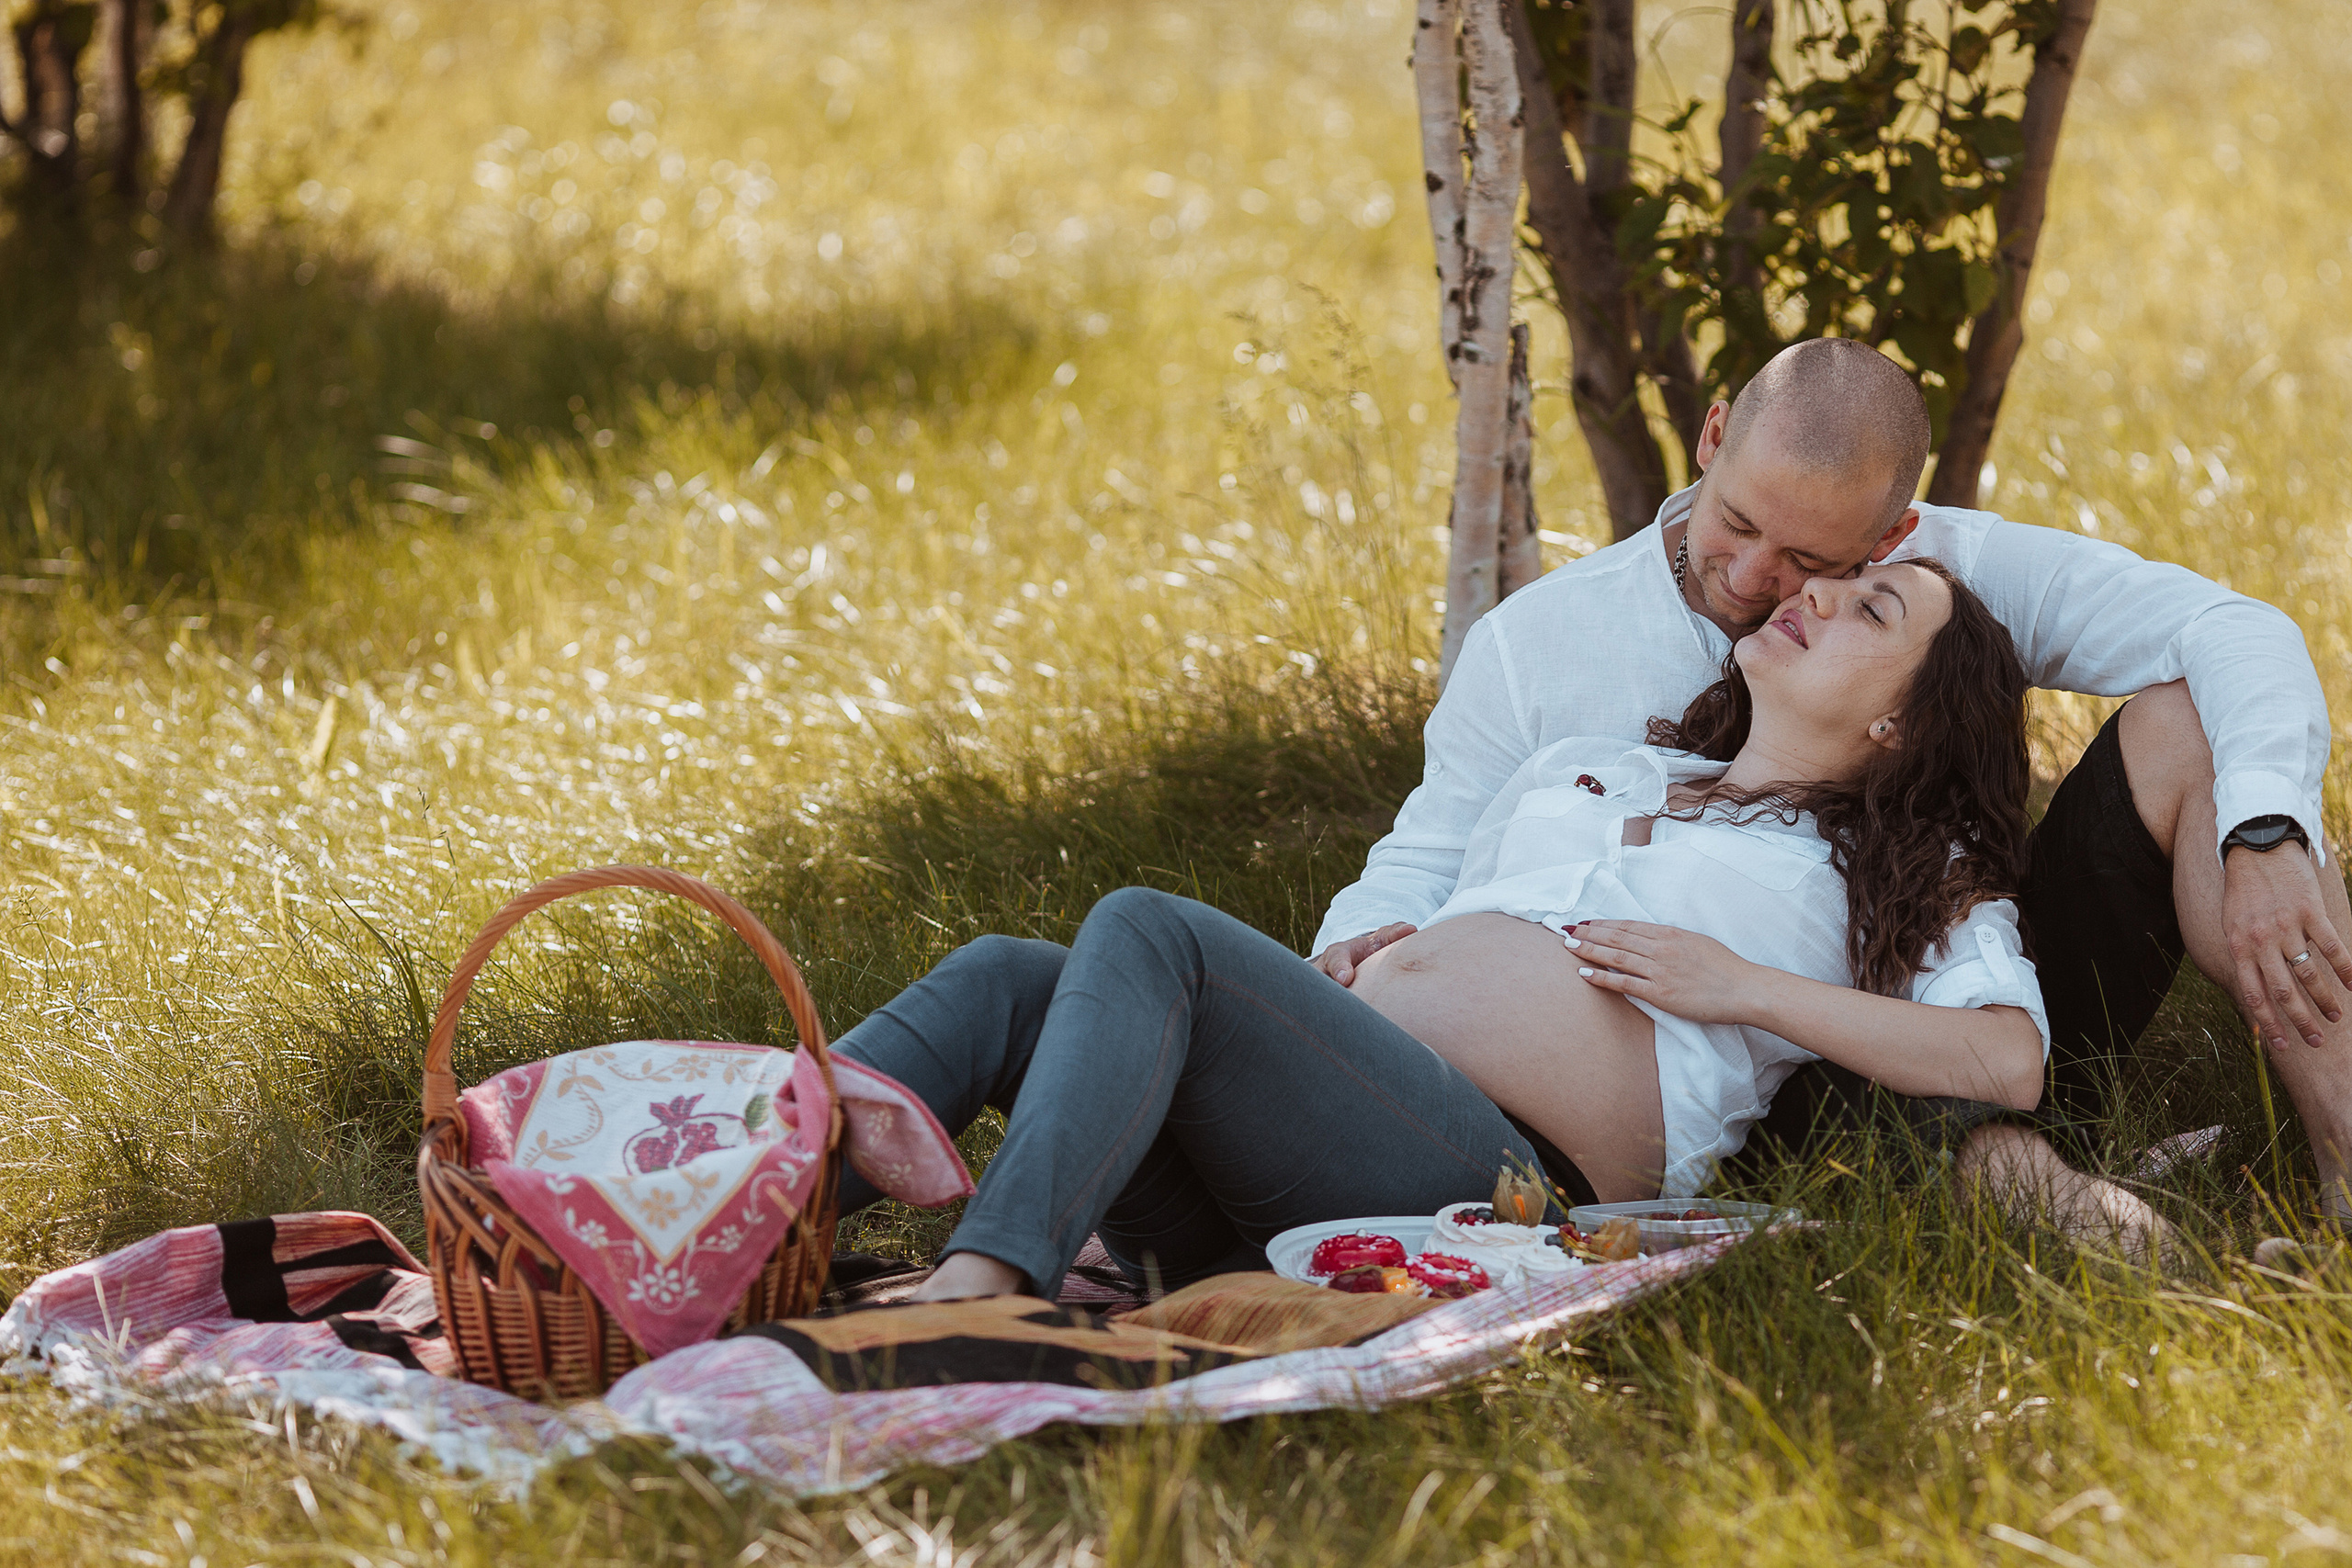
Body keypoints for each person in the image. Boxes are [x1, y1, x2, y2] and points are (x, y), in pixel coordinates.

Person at [1313, 338, 2347, 1229]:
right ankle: (2038, 1178)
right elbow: (1431, 848)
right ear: (1712, 438)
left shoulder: (1915, 592)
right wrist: (1353, 954)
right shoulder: (1537, 644)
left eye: (1811, 557)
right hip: (1728, 1068)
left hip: (1945, 988)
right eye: (1736, 523)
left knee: (2187, 724)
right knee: (1969, 1158)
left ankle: (2343, 1156)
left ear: (1888, 540)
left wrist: (2264, 835)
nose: (1760, 581)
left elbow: (2229, 628)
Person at [831, 558, 2047, 1301]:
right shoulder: (1595, 765)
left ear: (1906, 722)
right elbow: (1457, 917)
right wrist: (1357, 967)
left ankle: (980, 1282)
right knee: (1008, 975)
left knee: (1156, 931)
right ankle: (728, 1206)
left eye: (1871, 606)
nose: (1815, 591)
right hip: (1290, 1159)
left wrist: (1744, 987)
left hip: (1488, 1192)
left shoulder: (1895, 867)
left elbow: (2005, 1057)